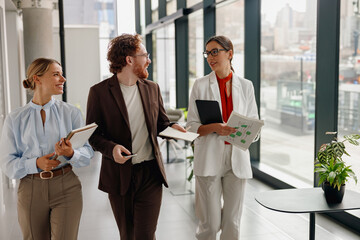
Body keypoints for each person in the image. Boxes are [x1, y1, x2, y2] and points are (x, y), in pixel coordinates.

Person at [86, 33, 185, 240]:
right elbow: (93, 136)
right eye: (144, 55)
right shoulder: (99, 92)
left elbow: (161, 124)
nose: (149, 60)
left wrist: (173, 127)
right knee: (128, 235)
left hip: (150, 172)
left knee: (146, 234)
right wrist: (112, 149)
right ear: (129, 60)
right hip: (119, 175)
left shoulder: (152, 88)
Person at [0, 57, 94, 240]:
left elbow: (88, 153)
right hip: (30, 188)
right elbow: (7, 163)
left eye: (62, 74)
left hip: (67, 186)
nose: (63, 79)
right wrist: (35, 163)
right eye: (56, 74)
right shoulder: (15, 119)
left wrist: (71, 153)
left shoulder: (71, 113)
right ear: (37, 79)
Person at [186, 35, 260, 240]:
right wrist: (215, 127)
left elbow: (254, 122)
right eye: (207, 53)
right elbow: (191, 126)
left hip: (236, 157)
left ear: (230, 53)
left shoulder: (246, 86)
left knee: (232, 223)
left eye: (215, 51)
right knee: (210, 224)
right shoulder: (200, 85)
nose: (210, 57)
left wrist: (249, 132)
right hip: (209, 156)